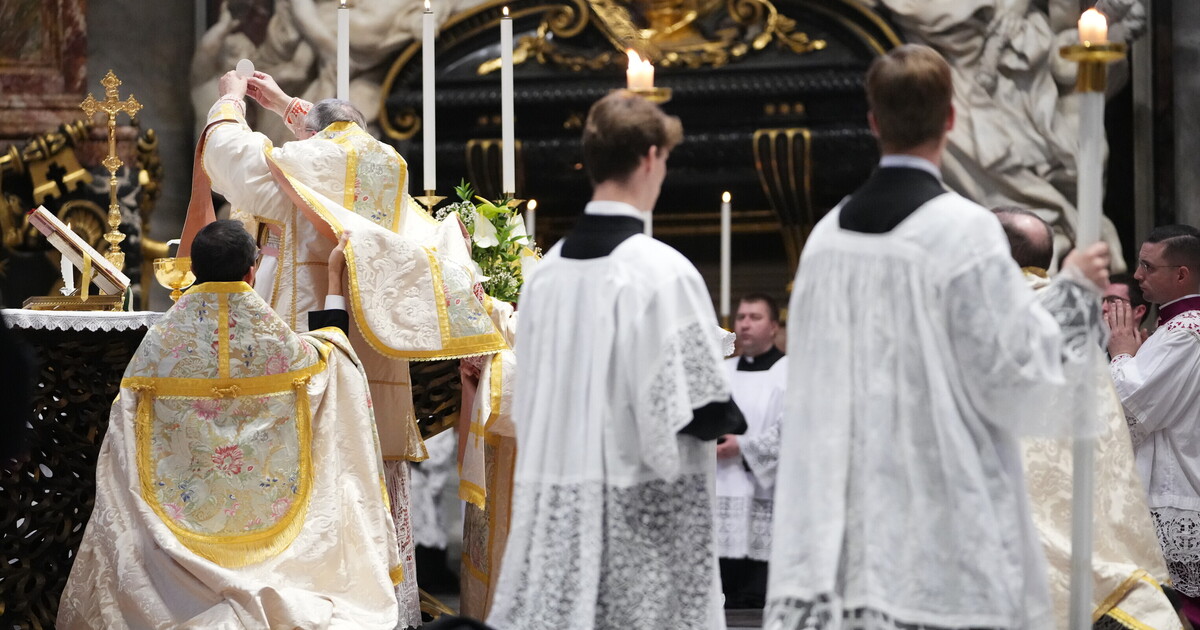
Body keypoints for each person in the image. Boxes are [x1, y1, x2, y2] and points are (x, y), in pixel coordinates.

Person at [765, 44, 1111, 630]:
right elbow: (1013, 374)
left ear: (873, 122)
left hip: (846, 513)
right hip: (943, 513)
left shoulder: (824, 240)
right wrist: (1073, 289)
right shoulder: (966, 231)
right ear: (951, 118)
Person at [186, 70, 507, 627]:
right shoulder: (388, 166)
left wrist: (231, 101)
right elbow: (341, 136)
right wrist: (292, 108)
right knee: (371, 474)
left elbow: (229, 156)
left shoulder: (298, 166)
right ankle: (389, 606)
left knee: (309, 477)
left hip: (308, 345)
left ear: (313, 135)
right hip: (376, 353)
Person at [58, 221, 405, 629]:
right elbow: (334, 356)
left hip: (174, 541)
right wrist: (333, 276)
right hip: (270, 530)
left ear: (193, 270)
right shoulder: (283, 347)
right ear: (251, 271)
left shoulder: (157, 347)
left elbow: (124, 432)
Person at [486, 91, 744, 629]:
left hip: (558, 508)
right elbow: (702, 410)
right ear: (650, 156)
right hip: (639, 515)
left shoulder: (546, 275)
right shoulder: (661, 271)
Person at [994, 210, 1180, 629]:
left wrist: (1123, 354)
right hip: (1064, 505)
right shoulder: (1059, 315)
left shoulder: (989, 311)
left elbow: (1133, 409)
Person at [1107, 225, 1200, 619]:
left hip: (1177, 490)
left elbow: (1131, 408)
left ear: (1182, 274)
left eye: (1147, 266)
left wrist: (1122, 354)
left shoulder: (1187, 332)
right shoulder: (1173, 329)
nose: (1138, 275)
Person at [716, 293, 786, 610]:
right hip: (720, 495)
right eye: (742, 317)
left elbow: (792, 431)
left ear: (773, 326)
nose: (745, 324)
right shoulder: (722, 372)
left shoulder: (790, 372)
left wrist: (742, 448)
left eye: (755, 317)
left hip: (765, 496)